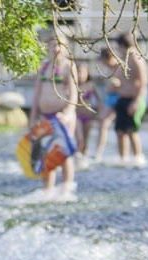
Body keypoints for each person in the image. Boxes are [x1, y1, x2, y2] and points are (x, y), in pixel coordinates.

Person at [24, 33, 79, 202]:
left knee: (62, 153)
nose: (56, 49)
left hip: (62, 118)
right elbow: (37, 95)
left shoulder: (69, 67)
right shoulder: (44, 67)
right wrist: (32, 117)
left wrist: (68, 113)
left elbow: (74, 94)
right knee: (46, 153)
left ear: (65, 48)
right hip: (44, 116)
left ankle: (66, 188)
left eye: (59, 45)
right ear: (47, 47)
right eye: (52, 45)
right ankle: (48, 189)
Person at [112, 32, 148, 166]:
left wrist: (136, 101)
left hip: (133, 99)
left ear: (123, 45)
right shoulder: (123, 59)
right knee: (120, 131)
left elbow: (143, 82)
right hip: (122, 98)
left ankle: (138, 157)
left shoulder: (136, 59)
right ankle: (123, 158)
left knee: (131, 130)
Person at [95, 48, 121, 161]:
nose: (103, 64)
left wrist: (116, 84)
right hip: (110, 98)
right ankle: (99, 153)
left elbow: (124, 84)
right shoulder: (109, 69)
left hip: (119, 98)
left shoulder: (119, 67)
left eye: (104, 61)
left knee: (120, 128)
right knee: (102, 123)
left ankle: (122, 154)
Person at [74, 64, 100, 168]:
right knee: (79, 139)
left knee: (86, 140)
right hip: (77, 116)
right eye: (78, 72)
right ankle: (77, 158)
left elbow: (99, 101)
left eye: (82, 73)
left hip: (88, 117)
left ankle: (83, 160)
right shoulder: (73, 86)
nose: (80, 75)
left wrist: (98, 112)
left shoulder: (91, 85)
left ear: (87, 74)